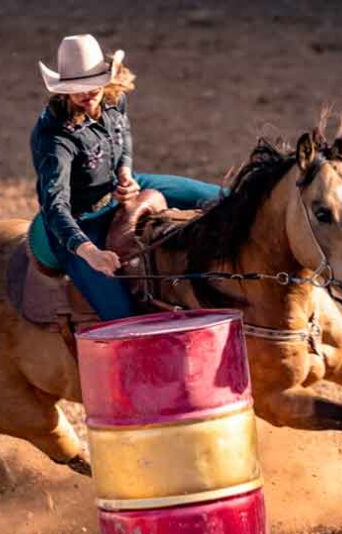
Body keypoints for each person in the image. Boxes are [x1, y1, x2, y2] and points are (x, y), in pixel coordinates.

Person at [29, 34, 223, 321]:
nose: (88, 93)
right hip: (81, 218)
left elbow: (123, 135)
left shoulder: (113, 99)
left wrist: (125, 172)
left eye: (94, 83)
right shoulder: (55, 139)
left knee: (226, 199)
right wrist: (91, 253)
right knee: (124, 319)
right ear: (63, 90)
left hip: (122, 188)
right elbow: (55, 206)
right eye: (77, 88)